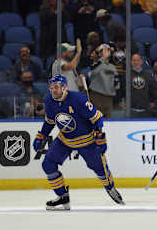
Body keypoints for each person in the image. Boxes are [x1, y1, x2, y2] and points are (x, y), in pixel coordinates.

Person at [32, 74, 124, 210]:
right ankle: (63, 196)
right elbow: (49, 122)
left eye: (56, 87)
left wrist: (99, 135)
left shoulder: (78, 99)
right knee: (48, 164)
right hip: (64, 140)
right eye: (51, 88)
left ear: (64, 87)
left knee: (100, 169)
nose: (53, 90)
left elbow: (97, 118)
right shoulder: (50, 101)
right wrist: (42, 135)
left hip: (87, 141)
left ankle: (110, 188)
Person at [88, 43, 118, 118]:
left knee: (108, 120)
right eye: (104, 50)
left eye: (108, 50)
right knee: (96, 119)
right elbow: (92, 73)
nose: (107, 52)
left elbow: (116, 80)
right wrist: (102, 59)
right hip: (97, 96)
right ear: (100, 52)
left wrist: (116, 84)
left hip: (109, 97)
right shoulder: (96, 64)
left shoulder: (112, 66)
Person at [130, 54, 157, 118]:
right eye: (134, 60)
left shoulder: (148, 75)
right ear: (131, 62)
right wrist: (122, 101)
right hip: (131, 109)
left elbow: (153, 89)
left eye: (138, 60)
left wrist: (152, 101)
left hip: (146, 108)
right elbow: (123, 89)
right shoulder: (127, 75)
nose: (136, 62)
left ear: (142, 61)